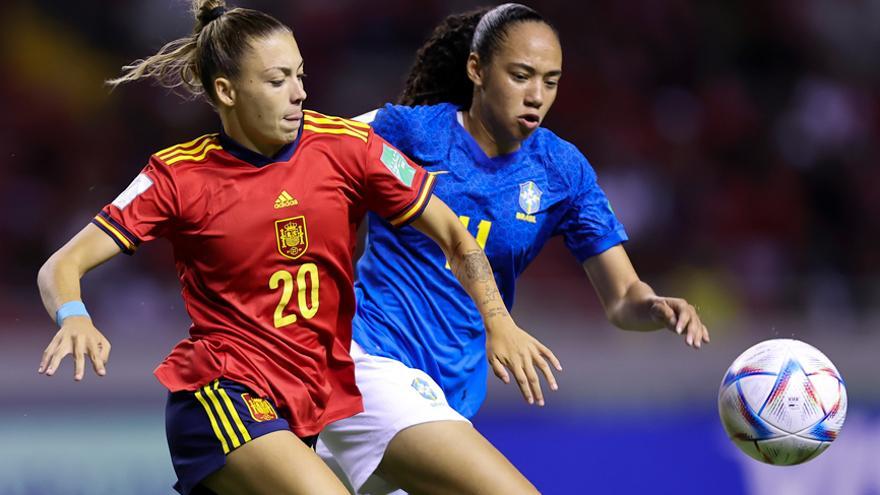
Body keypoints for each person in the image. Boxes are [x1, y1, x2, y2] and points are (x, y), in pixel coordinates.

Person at [35, 2, 558, 494]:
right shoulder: (179, 175)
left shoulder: (348, 148)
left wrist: (499, 321)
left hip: (308, 401)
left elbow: (455, 235)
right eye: (277, 80)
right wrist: (74, 315)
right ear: (227, 90)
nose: (299, 93)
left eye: (300, 75)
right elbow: (62, 265)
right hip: (223, 395)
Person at [317, 4, 711, 494]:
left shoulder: (562, 171)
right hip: (369, 362)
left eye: (551, 81)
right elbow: (311, 149)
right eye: (521, 75)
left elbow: (622, 297)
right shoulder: (411, 132)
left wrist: (655, 307)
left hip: (447, 396)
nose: (537, 96)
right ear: (477, 69)